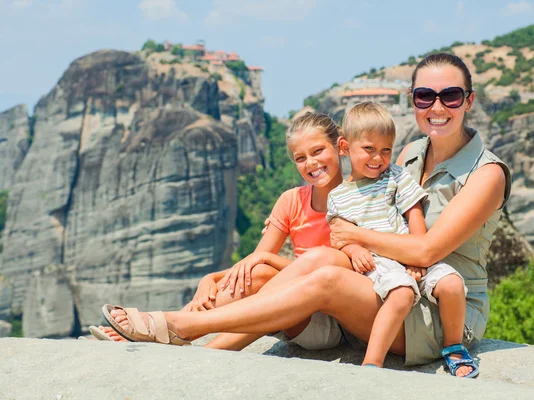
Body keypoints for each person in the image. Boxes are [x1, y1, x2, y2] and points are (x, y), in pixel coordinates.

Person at [101, 53, 510, 378]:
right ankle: (192, 334)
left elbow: (425, 250)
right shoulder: (408, 154)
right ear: (413, 100)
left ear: (468, 101)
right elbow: (370, 226)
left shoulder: (486, 174)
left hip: (438, 310)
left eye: (450, 96)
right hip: (388, 283)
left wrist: (350, 234)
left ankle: (179, 327)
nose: (437, 107)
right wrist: (344, 240)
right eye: (426, 97)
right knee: (304, 263)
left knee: (327, 276)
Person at [94, 112, 355, 347]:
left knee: (267, 270)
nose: (311, 163)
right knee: (257, 272)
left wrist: (267, 260)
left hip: (332, 314)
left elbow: (336, 275)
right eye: (300, 157)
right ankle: (177, 334)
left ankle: (166, 328)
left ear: (340, 146)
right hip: (294, 310)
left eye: (318, 151)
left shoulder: (361, 200)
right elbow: (250, 268)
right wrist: (212, 279)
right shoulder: (291, 200)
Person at [329, 101, 468, 370]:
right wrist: (355, 251)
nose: (377, 158)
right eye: (368, 149)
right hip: (379, 263)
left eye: (385, 150)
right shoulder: (338, 197)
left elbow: (414, 214)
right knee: (402, 293)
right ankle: (373, 362)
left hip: (410, 252)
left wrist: (417, 257)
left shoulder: (396, 176)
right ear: (345, 147)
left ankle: (454, 347)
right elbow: (342, 238)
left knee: (451, 283)